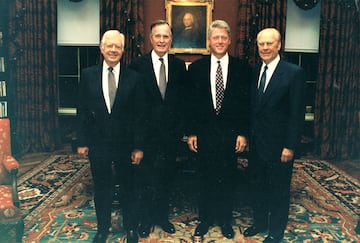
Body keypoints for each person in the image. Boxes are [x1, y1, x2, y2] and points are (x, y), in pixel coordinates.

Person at [76, 30, 147, 243]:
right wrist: (81, 142)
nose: (113, 50)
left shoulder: (134, 78)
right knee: (102, 188)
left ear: (123, 50)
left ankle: (131, 228)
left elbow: (140, 115)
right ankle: (102, 229)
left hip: (126, 145)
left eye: (118, 46)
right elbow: (82, 111)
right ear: (101, 48)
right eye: (109, 46)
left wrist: (138, 147)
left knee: (129, 187)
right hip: (99, 144)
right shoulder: (88, 75)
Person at [186, 20, 251, 239]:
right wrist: (192, 132)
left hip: (230, 135)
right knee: (204, 177)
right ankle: (205, 219)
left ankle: (224, 220)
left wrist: (242, 133)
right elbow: (191, 104)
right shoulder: (196, 69)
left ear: (230, 40)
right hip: (204, 134)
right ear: (209, 41)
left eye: (224, 37)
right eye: (216, 38)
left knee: (227, 177)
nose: (220, 41)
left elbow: (246, 104)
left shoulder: (242, 68)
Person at [243, 28, 305, 243]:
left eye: (270, 43)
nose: (265, 47)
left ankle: (276, 232)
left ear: (279, 45)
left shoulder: (293, 72)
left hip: (280, 147)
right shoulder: (255, 70)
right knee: (257, 187)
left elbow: (297, 114)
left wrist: (290, 146)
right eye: (261, 44)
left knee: (279, 191)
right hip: (257, 144)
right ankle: (259, 222)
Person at [127, 20, 187, 238]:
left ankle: (162, 217)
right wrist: (137, 142)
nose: (162, 40)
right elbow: (132, 108)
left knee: (166, 179)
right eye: (158, 36)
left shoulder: (179, 66)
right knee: (144, 181)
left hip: (170, 137)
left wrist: (180, 131)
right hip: (146, 137)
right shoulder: (137, 65)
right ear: (151, 39)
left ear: (171, 40)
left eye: (166, 36)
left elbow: (183, 103)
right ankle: (146, 219)